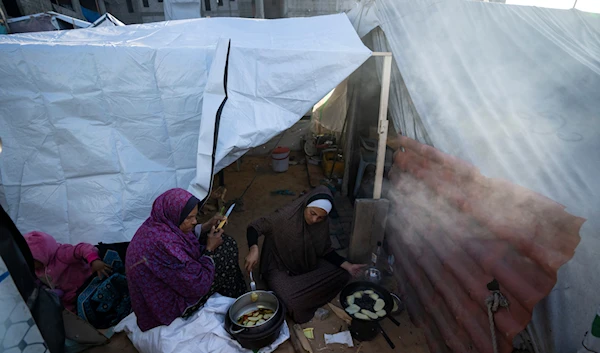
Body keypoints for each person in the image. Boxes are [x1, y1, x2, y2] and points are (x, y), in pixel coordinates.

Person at [126, 188, 246, 332]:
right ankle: (236, 299)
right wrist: (209, 250)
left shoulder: (158, 223)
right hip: (166, 304)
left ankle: (233, 294)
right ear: (175, 215)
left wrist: (207, 226)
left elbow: (183, 238)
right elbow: (197, 284)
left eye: (195, 216)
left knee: (223, 242)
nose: (195, 221)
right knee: (226, 250)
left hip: (170, 281)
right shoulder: (166, 245)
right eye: (189, 218)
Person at [244, 186, 366, 323]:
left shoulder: (321, 224)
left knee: (343, 273)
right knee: (290, 300)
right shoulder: (284, 216)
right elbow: (254, 227)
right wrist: (254, 249)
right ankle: (305, 296)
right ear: (305, 206)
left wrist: (348, 266)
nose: (314, 220)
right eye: (312, 213)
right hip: (278, 264)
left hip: (305, 261)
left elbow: (324, 250)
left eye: (320, 217)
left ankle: (304, 294)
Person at [24, 231, 131, 328]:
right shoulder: (38, 270)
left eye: (32, 260)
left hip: (88, 283)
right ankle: (81, 328)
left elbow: (82, 248)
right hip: (68, 296)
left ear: (42, 253)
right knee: (67, 315)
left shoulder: (62, 254)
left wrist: (94, 260)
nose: (30, 264)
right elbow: (40, 283)